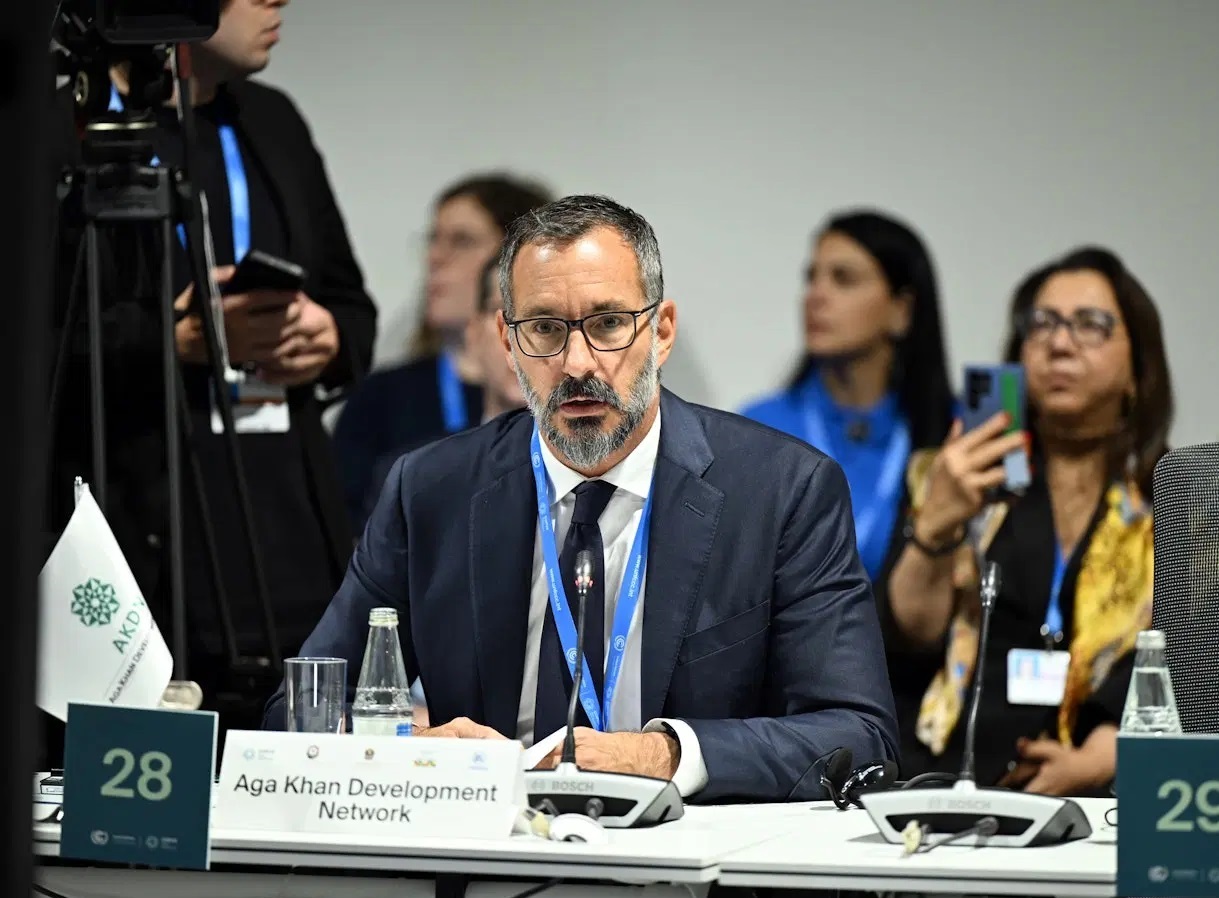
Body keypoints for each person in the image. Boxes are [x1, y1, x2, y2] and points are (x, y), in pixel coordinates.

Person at [265, 195, 899, 803]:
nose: (576, 363)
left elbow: (858, 734)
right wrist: (410, 752)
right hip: (492, 849)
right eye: (544, 329)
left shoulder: (780, 491)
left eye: (608, 325)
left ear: (661, 331)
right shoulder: (430, 490)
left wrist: (663, 756)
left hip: (687, 856)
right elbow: (297, 711)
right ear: (507, 341)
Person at [48, 0, 376, 753]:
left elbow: (351, 306)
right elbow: (38, 340)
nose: (277, 1)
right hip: (141, 535)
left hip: (283, 530)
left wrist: (326, 338)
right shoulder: (65, 129)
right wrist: (172, 340)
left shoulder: (271, 121)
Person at [886, 247, 1172, 794]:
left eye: (1090, 324)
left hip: (1105, 784)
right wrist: (937, 526)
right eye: (1042, 323)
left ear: (1138, 369)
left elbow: (1189, 659)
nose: (1059, 343)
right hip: (953, 775)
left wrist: (1102, 757)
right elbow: (908, 636)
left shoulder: (1173, 501)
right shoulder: (956, 475)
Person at [740, 211, 954, 583]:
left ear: (901, 310)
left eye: (844, 279)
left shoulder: (953, 433)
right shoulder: (757, 429)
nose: (815, 296)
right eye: (812, 278)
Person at [333, 174, 551, 531]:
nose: (435, 257)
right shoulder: (380, 398)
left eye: (462, 241)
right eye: (433, 240)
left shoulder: (567, 394)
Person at [361, 258, 526, 522]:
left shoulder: (593, 478)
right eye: (507, 315)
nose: (522, 339)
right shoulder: (411, 481)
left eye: (545, 323)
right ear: (473, 335)